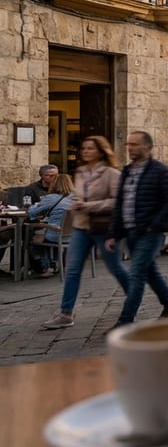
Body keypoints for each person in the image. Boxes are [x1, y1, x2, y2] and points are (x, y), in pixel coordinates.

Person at [42, 135, 129, 330]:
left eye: (90, 148)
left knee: (115, 267)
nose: (86, 151)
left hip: (103, 227)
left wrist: (89, 205)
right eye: (84, 148)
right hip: (81, 227)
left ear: (101, 151)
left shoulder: (111, 173)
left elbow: (118, 201)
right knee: (73, 270)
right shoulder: (80, 172)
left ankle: (133, 297)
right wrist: (76, 204)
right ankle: (66, 313)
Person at [106, 131, 168, 327]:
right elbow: (120, 204)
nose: (130, 148)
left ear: (147, 147)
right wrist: (114, 234)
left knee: (136, 273)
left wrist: (155, 225)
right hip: (131, 232)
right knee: (150, 272)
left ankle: (125, 321)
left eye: (134, 144)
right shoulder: (127, 171)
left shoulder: (161, 171)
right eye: (128, 144)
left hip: (150, 232)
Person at [26, 173, 75, 277]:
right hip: (75, 235)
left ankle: (45, 267)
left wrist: (35, 205)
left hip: (56, 234)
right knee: (51, 236)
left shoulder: (51, 198)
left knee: (33, 241)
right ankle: (55, 263)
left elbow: (31, 213)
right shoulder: (77, 198)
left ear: (54, 184)